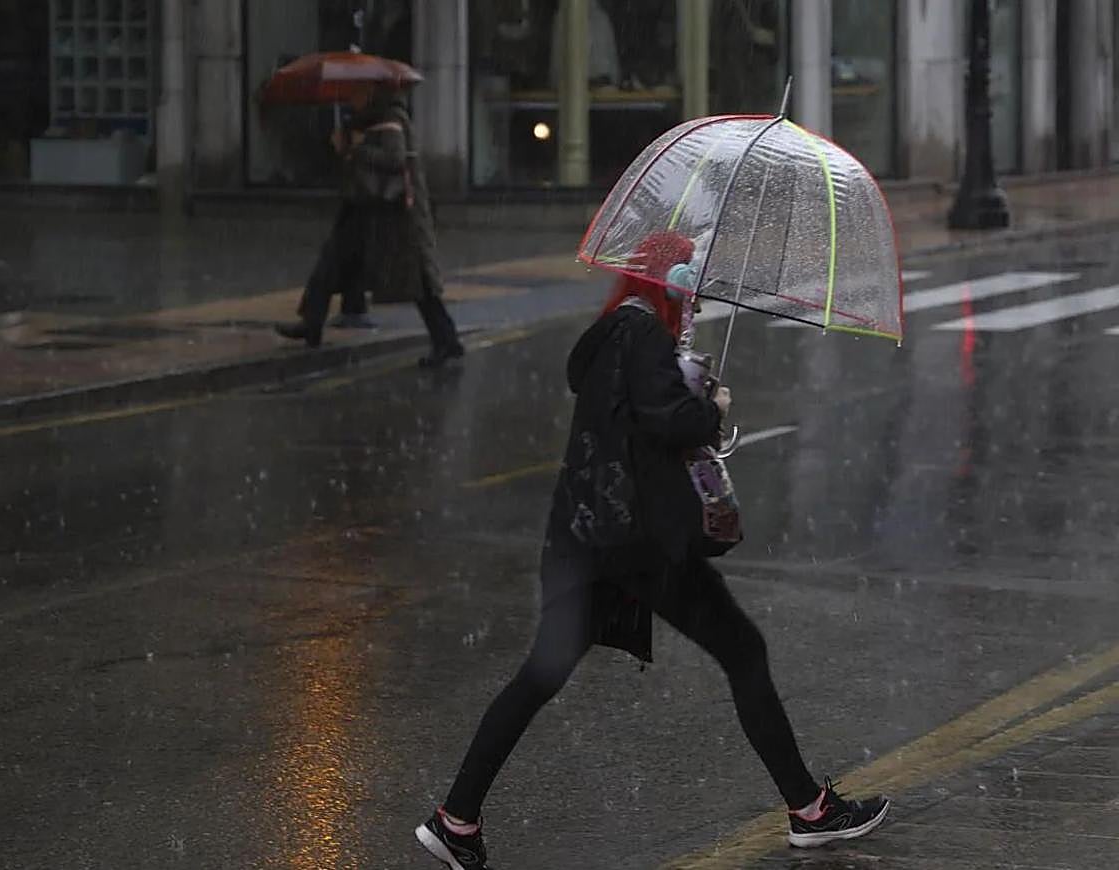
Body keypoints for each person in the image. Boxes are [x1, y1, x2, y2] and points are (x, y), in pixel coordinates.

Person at [415, 232, 889, 868]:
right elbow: (673, 422)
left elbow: (636, 421)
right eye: (687, 282)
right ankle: (809, 810)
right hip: (635, 542)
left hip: (586, 540)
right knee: (743, 650)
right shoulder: (642, 335)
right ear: (663, 281)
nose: (692, 297)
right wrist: (710, 407)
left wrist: (684, 384)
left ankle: (456, 819)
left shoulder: (618, 331)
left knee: (541, 673)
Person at [276, 86, 464, 367]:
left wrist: (358, 147)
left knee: (418, 281)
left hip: (394, 214)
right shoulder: (364, 121)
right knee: (331, 262)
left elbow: (394, 159)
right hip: (367, 207)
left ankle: (446, 339)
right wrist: (346, 146)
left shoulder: (391, 120)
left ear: (372, 95)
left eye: (358, 94)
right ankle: (311, 322)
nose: (352, 99)